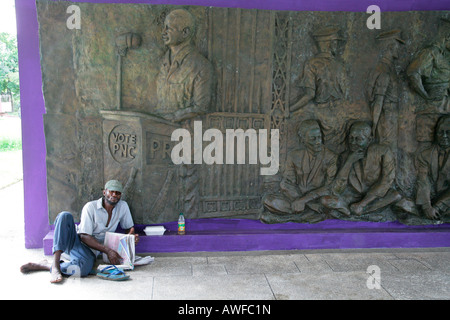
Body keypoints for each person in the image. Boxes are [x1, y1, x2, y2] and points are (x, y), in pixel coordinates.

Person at [20, 180, 139, 283]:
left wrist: (131, 236)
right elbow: (84, 236)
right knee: (64, 216)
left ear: (120, 195)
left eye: (117, 192)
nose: (114, 194)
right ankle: (55, 265)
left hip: (90, 251)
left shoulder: (123, 206)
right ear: (104, 192)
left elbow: (129, 227)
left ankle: (45, 265)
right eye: (111, 191)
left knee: (83, 270)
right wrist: (108, 251)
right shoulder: (90, 207)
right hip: (76, 242)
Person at [262, 119, 338, 223]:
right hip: (298, 199)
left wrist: (305, 200)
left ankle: (288, 217)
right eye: (313, 139)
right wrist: (306, 203)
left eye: (319, 137)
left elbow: (330, 187)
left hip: (319, 199)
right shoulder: (294, 156)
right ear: (303, 140)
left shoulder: (331, 157)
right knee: (269, 200)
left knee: (329, 202)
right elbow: (287, 183)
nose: (318, 142)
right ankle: (309, 215)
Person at [321, 121, 401, 217]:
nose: (353, 142)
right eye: (351, 138)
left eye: (358, 139)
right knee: (325, 200)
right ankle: (358, 211)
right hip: (351, 197)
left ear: (369, 139)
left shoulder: (383, 152)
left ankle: (356, 211)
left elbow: (387, 181)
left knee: (395, 195)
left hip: (374, 197)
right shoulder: (344, 156)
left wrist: (363, 203)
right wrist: (349, 162)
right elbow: (337, 190)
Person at [290, 26, 349, 153]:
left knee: (325, 153)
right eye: (335, 42)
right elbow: (345, 93)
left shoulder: (312, 64)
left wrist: (289, 109)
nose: (337, 46)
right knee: (338, 151)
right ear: (328, 44)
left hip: (323, 115)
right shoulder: (340, 65)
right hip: (340, 113)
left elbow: (309, 95)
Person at [155, 8, 214, 123]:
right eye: (164, 27)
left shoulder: (200, 65)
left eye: (169, 28)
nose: (163, 32)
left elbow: (200, 107)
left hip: (183, 132)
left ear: (185, 33)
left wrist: (174, 117)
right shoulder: (163, 63)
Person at [406, 18, 450, 144]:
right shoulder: (430, 52)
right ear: (447, 37)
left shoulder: (445, 55)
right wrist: (425, 95)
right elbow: (413, 73)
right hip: (437, 104)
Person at [366, 29, 405, 150]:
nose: (399, 49)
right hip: (387, 118)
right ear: (391, 47)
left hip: (391, 116)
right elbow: (378, 101)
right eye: (398, 46)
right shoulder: (384, 70)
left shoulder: (388, 67)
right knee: (388, 150)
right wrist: (374, 125)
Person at [415, 115, 450, 220]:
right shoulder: (425, 155)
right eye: (440, 132)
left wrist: (438, 206)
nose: (444, 136)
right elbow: (423, 180)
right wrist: (426, 207)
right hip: (432, 199)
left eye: (448, 132)